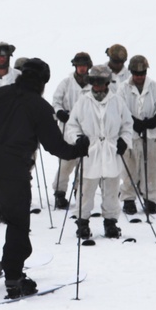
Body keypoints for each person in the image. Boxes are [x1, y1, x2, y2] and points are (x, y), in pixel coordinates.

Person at [0, 58, 89, 299]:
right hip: (14, 172)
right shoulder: (39, 107)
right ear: (42, 82)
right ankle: (14, 277)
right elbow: (55, 146)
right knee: (17, 222)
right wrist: (78, 149)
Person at [66, 65, 133, 240]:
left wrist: (124, 141)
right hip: (91, 150)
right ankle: (82, 222)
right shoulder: (83, 101)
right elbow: (72, 126)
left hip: (111, 150)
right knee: (86, 189)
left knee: (111, 189)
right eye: (94, 82)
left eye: (100, 82)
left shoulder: (117, 101)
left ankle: (110, 222)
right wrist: (78, 139)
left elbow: (127, 124)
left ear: (106, 83)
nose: (97, 86)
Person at [118, 55, 156, 216]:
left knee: (151, 168)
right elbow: (120, 108)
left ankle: (151, 199)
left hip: (150, 135)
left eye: (142, 73)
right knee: (130, 168)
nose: (139, 76)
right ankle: (128, 199)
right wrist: (133, 121)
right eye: (136, 73)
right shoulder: (123, 88)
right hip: (130, 136)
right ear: (131, 72)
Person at [51, 52, 92, 210]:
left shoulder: (93, 84)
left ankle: (78, 191)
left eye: (84, 65)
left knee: (85, 163)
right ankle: (59, 192)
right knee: (66, 163)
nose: (82, 68)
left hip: (87, 129)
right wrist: (60, 113)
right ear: (75, 66)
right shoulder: (66, 83)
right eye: (79, 65)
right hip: (68, 129)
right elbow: (56, 102)